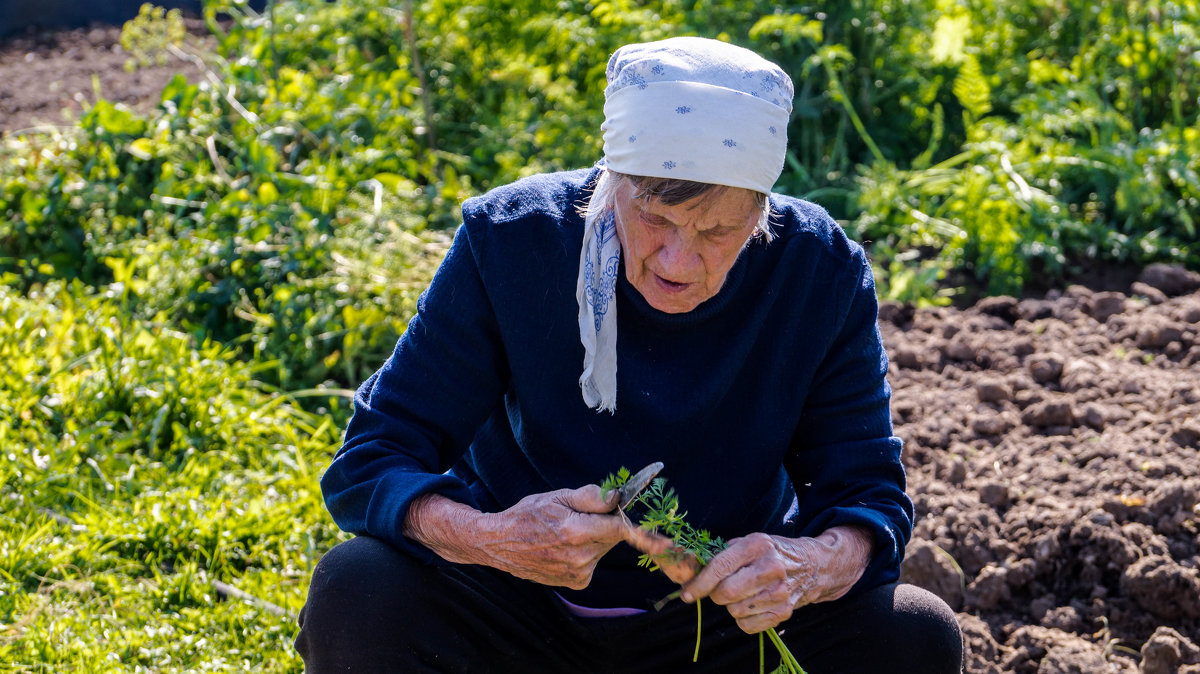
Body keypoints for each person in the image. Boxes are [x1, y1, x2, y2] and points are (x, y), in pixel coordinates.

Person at [294, 36, 962, 673]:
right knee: (359, 589)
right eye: (655, 219)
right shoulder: (513, 243)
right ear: (610, 182)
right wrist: (491, 537)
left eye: (718, 231)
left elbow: (867, 494)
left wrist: (808, 564)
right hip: (513, 607)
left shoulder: (817, 272)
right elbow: (371, 460)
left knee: (914, 635)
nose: (679, 259)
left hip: (719, 627)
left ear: (761, 213)